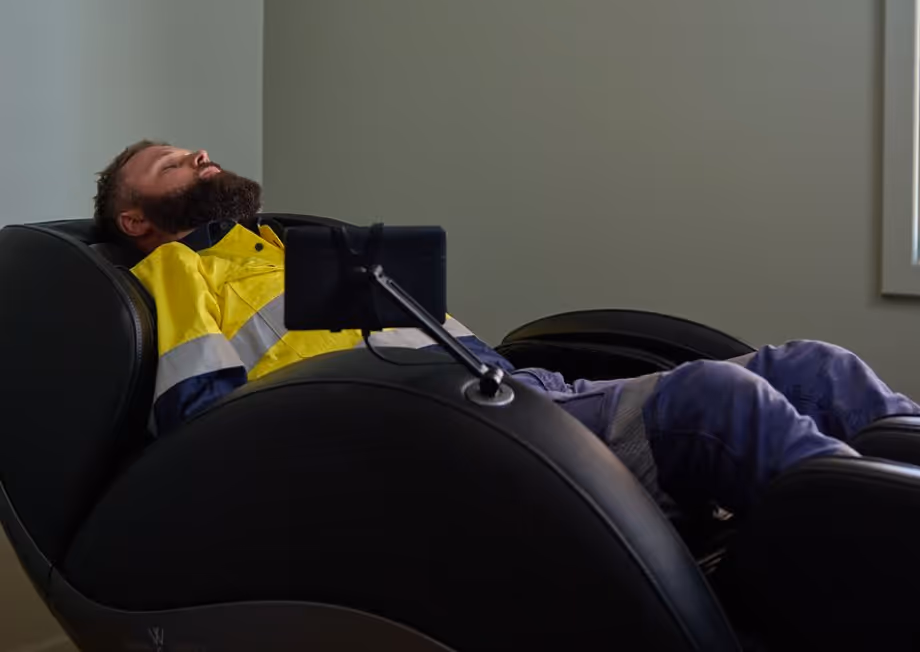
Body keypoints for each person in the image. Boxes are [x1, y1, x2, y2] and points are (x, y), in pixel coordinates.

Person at [94, 140, 920, 518]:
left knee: (818, 365)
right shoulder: (175, 274)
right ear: (136, 218)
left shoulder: (298, 242)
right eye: (171, 163)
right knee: (718, 401)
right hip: (446, 431)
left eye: (195, 150)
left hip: (516, 391)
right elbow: (201, 422)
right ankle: (874, 553)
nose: (199, 156)